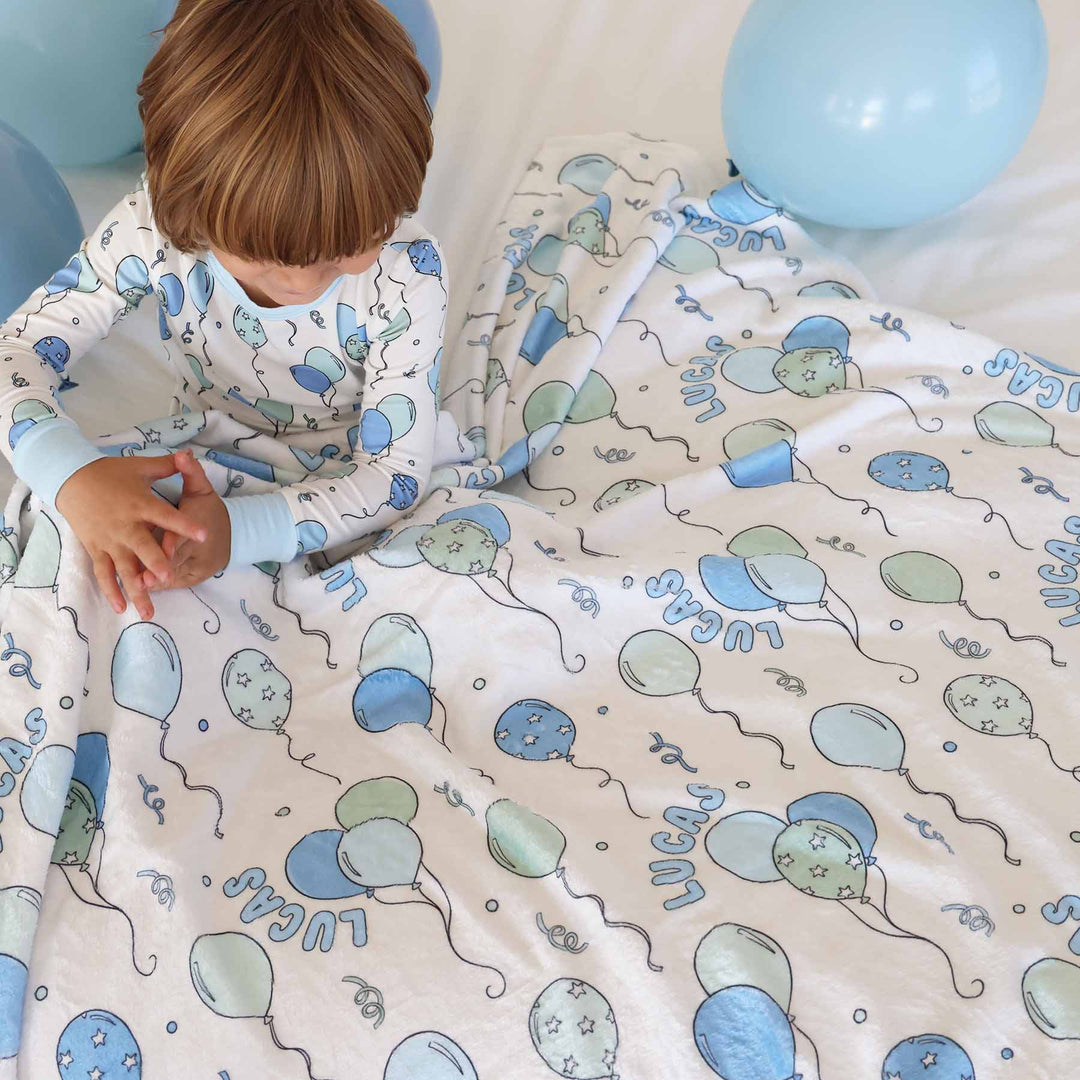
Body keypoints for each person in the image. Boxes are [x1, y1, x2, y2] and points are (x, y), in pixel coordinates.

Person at [0, 0, 459, 621]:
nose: (301, 281)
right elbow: (18, 349)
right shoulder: (154, 225)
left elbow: (394, 478)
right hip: (203, 456)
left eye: (346, 249)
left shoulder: (408, 275)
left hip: (336, 491)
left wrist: (238, 534)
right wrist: (73, 474)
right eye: (264, 259)